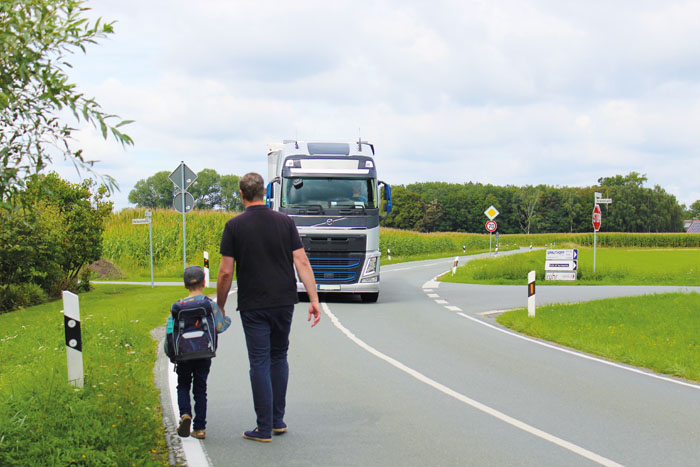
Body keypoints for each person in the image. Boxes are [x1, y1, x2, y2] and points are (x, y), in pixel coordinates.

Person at [217, 172, 321, 443]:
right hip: (284, 301)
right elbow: (302, 261)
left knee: (259, 361)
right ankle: (277, 420)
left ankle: (263, 428)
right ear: (264, 192)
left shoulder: (234, 226)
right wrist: (313, 299)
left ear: (241, 195)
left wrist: (220, 305)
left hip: (254, 304)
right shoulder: (285, 222)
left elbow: (225, 273)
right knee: (279, 357)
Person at [173, 265, 231, 439]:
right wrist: (226, 318)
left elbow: (172, 332)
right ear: (204, 283)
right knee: (200, 389)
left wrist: (172, 354)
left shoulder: (177, 307)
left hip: (183, 354)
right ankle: (200, 429)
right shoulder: (209, 305)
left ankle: (185, 414)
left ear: (184, 285)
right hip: (203, 353)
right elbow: (220, 327)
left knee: (183, 385)